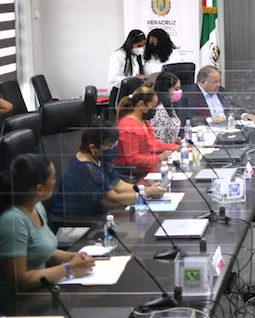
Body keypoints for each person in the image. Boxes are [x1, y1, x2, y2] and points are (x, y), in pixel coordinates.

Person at [0, 154, 95, 294]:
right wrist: (69, 268)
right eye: (53, 178)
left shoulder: (37, 207)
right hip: (21, 301)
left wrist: (75, 257)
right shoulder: (13, 220)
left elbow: (43, 251)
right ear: (39, 189)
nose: (56, 181)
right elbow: (20, 281)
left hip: (43, 289)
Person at [51, 120, 165, 217]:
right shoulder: (86, 168)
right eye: (109, 145)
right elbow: (112, 200)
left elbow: (119, 185)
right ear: (93, 147)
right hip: (76, 224)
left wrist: (147, 189)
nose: (113, 148)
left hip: (96, 217)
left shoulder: (99, 158)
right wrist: (147, 193)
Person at [114, 86, 178, 174]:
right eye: (152, 106)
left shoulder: (144, 122)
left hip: (145, 169)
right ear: (141, 105)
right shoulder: (128, 127)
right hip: (131, 174)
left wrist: (175, 147)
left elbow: (152, 144)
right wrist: (160, 157)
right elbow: (133, 159)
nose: (154, 110)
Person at [178, 65, 255, 126]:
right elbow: (189, 119)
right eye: (215, 82)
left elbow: (231, 105)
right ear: (202, 82)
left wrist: (243, 115)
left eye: (219, 81)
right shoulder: (188, 95)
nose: (218, 85)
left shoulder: (220, 90)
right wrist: (211, 120)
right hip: (207, 132)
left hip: (227, 128)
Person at [108, 29, 146, 107]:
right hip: (120, 93)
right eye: (138, 46)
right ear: (131, 44)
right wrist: (133, 79)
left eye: (143, 45)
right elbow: (112, 78)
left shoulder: (138, 56)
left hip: (134, 93)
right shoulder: (118, 55)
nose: (141, 48)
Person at [151, 72, 183, 144]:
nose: (179, 92)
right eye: (176, 89)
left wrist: (173, 137)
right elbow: (158, 142)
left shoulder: (168, 105)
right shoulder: (159, 112)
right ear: (166, 90)